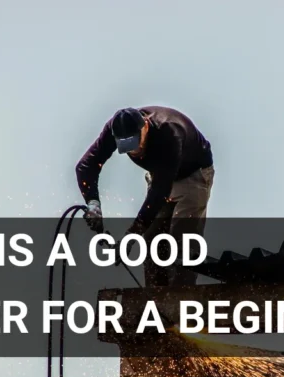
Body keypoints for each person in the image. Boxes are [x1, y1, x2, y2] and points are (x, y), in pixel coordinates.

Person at [75, 106, 215, 286]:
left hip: (192, 175)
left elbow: (159, 193)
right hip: (159, 176)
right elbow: (85, 166)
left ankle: (181, 301)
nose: (134, 151)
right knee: (151, 241)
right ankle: (155, 300)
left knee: (182, 244)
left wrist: (131, 235)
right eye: (127, 147)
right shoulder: (113, 130)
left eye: (136, 142)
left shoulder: (169, 132)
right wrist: (93, 204)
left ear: (145, 127)